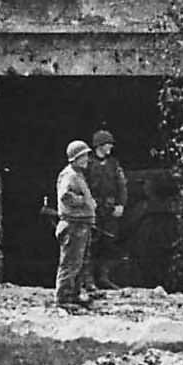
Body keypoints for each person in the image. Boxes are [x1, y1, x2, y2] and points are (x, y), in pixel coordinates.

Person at [55, 140, 98, 309]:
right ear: (76, 158)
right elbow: (65, 196)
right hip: (73, 224)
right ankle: (63, 299)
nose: (87, 158)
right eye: (83, 156)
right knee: (71, 263)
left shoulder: (77, 174)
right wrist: (84, 201)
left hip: (81, 224)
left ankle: (74, 294)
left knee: (79, 263)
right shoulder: (70, 175)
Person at [84, 129, 128, 290]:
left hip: (109, 209)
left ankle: (103, 277)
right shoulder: (87, 164)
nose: (110, 147)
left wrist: (121, 204)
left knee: (109, 243)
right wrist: (88, 202)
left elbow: (121, 185)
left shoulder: (113, 164)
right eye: (107, 143)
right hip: (92, 209)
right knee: (91, 244)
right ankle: (88, 280)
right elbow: (82, 185)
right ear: (99, 145)